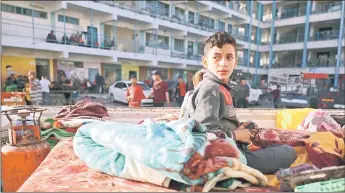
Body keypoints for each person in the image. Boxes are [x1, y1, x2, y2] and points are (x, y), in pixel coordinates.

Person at [183, 32, 296, 174]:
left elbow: (219, 122)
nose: (223, 63)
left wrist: (241, 128)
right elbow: (204, 134)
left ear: (235, 62)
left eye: (229, 57)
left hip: (233, 148)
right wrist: (236, 134)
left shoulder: (220, 87)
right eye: (216, 57)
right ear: (205, 62)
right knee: (289, 151)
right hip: (229, 157)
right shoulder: (210, 89)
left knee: (274, 144)